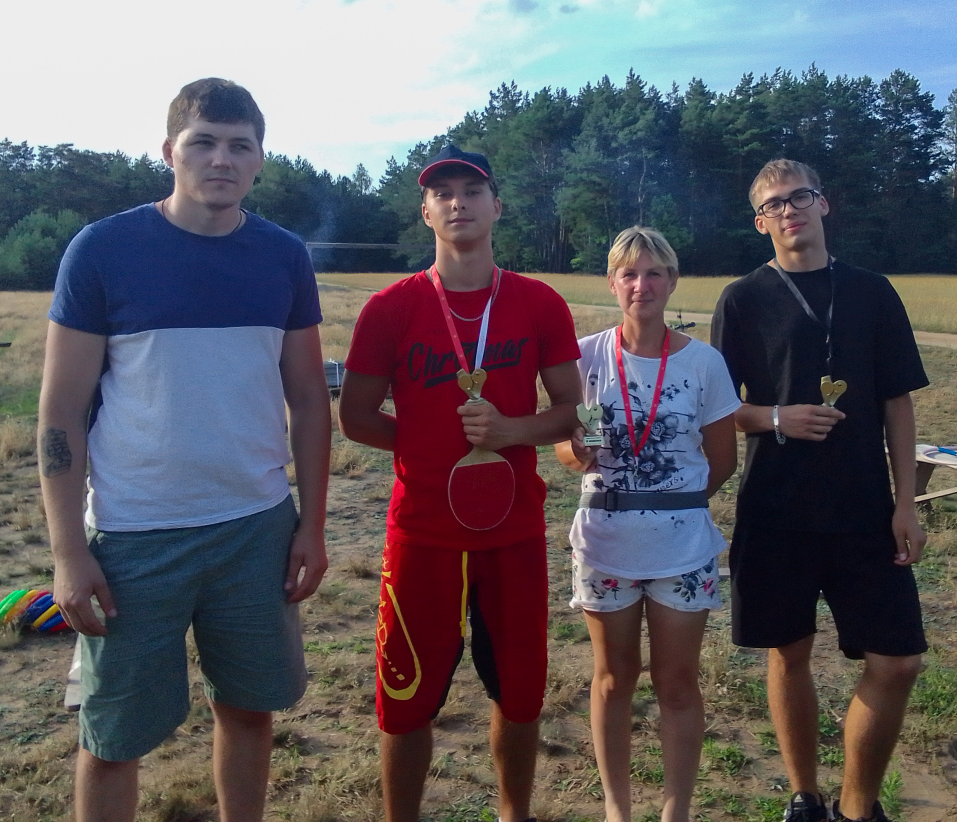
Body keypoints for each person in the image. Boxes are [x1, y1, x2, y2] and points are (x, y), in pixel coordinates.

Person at [39, 78, 331, 822]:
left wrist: (312, 525)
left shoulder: (283, 257)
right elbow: (62, 412)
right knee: (113, 736)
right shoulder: (103, 250)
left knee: (250, 710)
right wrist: (69, 553)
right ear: (169, 151)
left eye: (239, 145)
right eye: (203, 142)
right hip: (134, 537)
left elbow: (307, 400)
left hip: (255, 529)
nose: (221, 159)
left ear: (260, 159)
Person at [339, 143, 582, 822]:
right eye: (441, 193)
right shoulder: (390, 308)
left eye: (471, 191)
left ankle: (514, 814)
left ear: (496, 206)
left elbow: (571, 410)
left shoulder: (537, 303)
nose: (457, 203)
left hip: (513, 532)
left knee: (521, 694)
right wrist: (424, 445)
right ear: (425, 212)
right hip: (422, 533)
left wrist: (510, 431)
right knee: (405, 698)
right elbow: (355, 417)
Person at [710, 159, 929, 822]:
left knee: (898, 662)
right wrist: (778, 417)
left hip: (864, 508)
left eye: (798, 197)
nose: (788, 211)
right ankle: (804, 796)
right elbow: (718, 409)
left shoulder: (872, 292)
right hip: (776, 508)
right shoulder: (742, 299)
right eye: (773, 205)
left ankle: (858, 806)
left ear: (823, 205)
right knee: (789, 652)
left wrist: (905, 503)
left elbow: (897, 402)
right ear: (760, 223)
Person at [556, 226, 739, 822]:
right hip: (604, 544)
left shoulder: (704, 362)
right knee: (613, 680)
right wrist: (576, 453)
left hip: (682, 548)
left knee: (677, 684)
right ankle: (617, 808)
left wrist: (671, 504)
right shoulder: (583, 356)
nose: (642, 285)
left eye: (654, 273)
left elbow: (723, 459)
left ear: (672, 281)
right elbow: (563, 445)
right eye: (629, 274)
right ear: (612, 283)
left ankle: (675, 810)